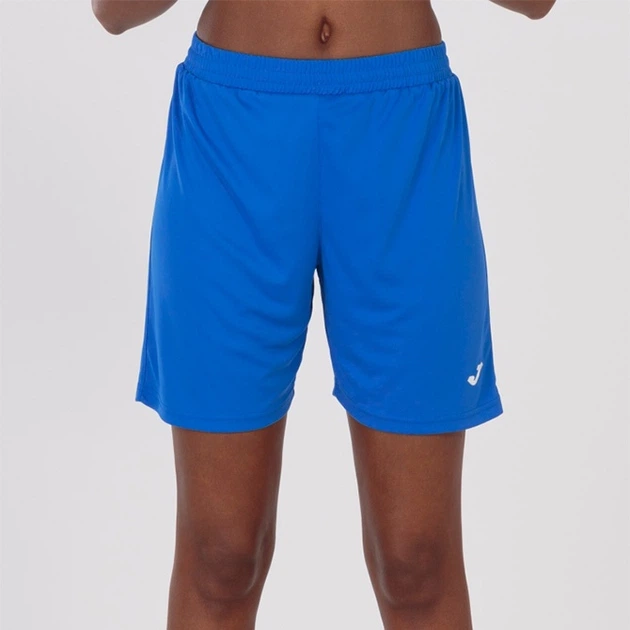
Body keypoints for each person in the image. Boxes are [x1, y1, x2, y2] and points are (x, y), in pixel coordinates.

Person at [92, 1, 556, 628]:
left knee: (415, 562)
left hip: (401, 132)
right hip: (234, 133)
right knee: (221, 556)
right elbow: (114, 11)